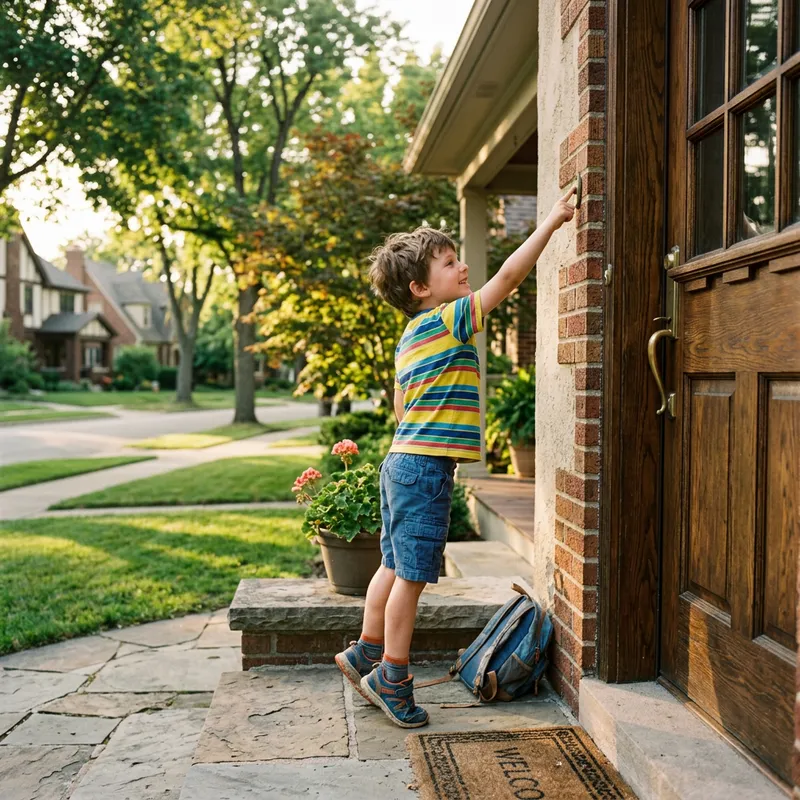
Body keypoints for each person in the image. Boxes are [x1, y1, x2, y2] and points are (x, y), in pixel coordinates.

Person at [335, 188, 577, 728]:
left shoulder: (408, 338)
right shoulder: (448, 319)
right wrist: (553, 222)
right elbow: (509, 279)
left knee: (391, 566)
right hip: (423, 470)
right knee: (411, 579)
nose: (462, 265)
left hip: (400, 463)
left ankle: (366, 651)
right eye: (449, 263)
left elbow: (401, 406)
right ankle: (391, 677)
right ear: (422, 288)